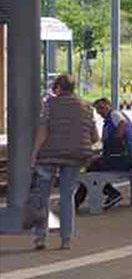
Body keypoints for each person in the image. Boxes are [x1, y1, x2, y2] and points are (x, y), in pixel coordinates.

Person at [31, 74, 98, 250]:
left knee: (42, 197)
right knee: (67, 196)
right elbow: (94, 136)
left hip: (49, 156)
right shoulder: (86, 107)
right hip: (75, 157)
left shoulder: (49, 105)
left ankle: (41, 238)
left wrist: (34, 153)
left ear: (59, 88)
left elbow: (43, 131)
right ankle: (66, 239)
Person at [74, 98, 132, 210]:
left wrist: (115, 140)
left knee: (92, 169)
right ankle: (76, 201)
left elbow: (122, 124)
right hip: (124, 158)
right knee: (93, 168)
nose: (100, 112)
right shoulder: (109, 121)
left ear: (108, 106)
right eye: (97, 109)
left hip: (126, 159)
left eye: (102, 108)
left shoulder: (115, 114)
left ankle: (111, 194)